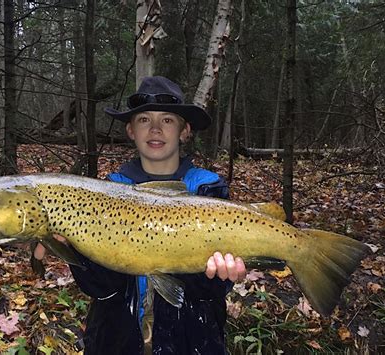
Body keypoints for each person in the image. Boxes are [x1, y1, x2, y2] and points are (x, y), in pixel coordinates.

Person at [34, 76, 246, 355]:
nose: (155, 129)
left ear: (185, 131)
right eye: (144, 119)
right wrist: (72, 250)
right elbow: (102, 289)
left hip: (194, 341)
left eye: (168, 120)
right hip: (115, 341)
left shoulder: (210, 189)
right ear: (131, 130)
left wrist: (219, 277)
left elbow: (209, 292)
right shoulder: (103, 194)